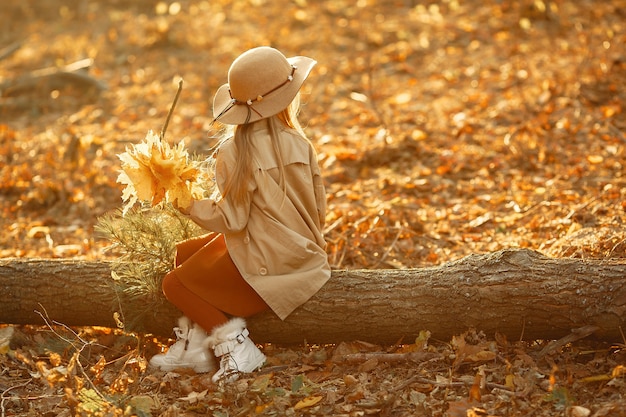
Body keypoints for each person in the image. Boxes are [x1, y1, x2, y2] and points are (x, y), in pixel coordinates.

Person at [149, 46, 330, 383]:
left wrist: (186, 202)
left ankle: (235, 346)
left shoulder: (236, 151)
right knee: (184, 253)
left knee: (173, 284)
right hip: (301, 249)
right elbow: (318, 206)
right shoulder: (300, 142)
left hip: (274, 264)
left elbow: (232, 220)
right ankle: (198, 348)